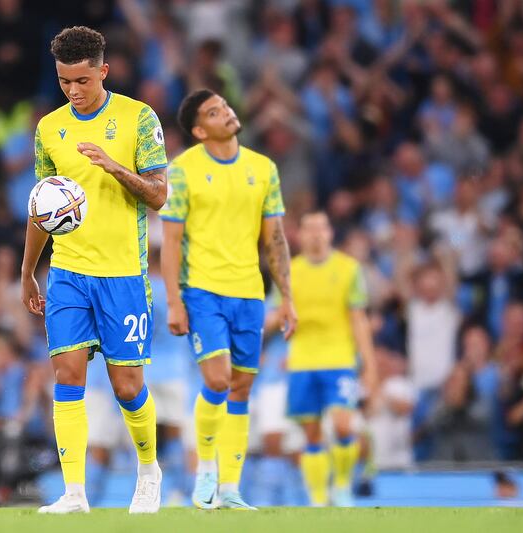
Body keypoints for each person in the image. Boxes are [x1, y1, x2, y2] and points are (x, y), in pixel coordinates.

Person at [20, 26, 168, 514]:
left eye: (82, 80)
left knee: (127, 386)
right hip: (68, 272)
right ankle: (74, 493)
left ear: (103, 70)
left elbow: (159, 194)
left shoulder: (138, 119)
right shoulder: (49, 129)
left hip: (123, 274)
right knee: (66, 375)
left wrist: (113, 167)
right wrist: (27, 272)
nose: (73, 90)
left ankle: (149, 472)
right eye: (64, 81)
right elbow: (43, 207)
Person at [160, 89, 296, 510]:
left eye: (226, 106)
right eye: (215, 112)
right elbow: (171, 241)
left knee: (241, 389)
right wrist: (173, 301)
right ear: (200, 130)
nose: (228, 113)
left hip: (249, 293)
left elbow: (274, 238)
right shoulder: (182, 171)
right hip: (202, 289)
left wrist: (287, 297)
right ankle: (205, 468)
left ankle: (231, 489)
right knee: (217, 380)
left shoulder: (263, 168)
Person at [286, 211, 377, 507]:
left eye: (321, 228)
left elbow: (359, 319)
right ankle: (317, 497)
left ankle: (341, 485)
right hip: (301, 360)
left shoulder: (348, 269)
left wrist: (370, 365)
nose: (315, 234)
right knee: (312, 434)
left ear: (330, 233)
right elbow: (279, 312)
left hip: (339, 359)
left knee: (342, 425)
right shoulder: (288, 270)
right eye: (309, 228)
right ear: (299, 234)